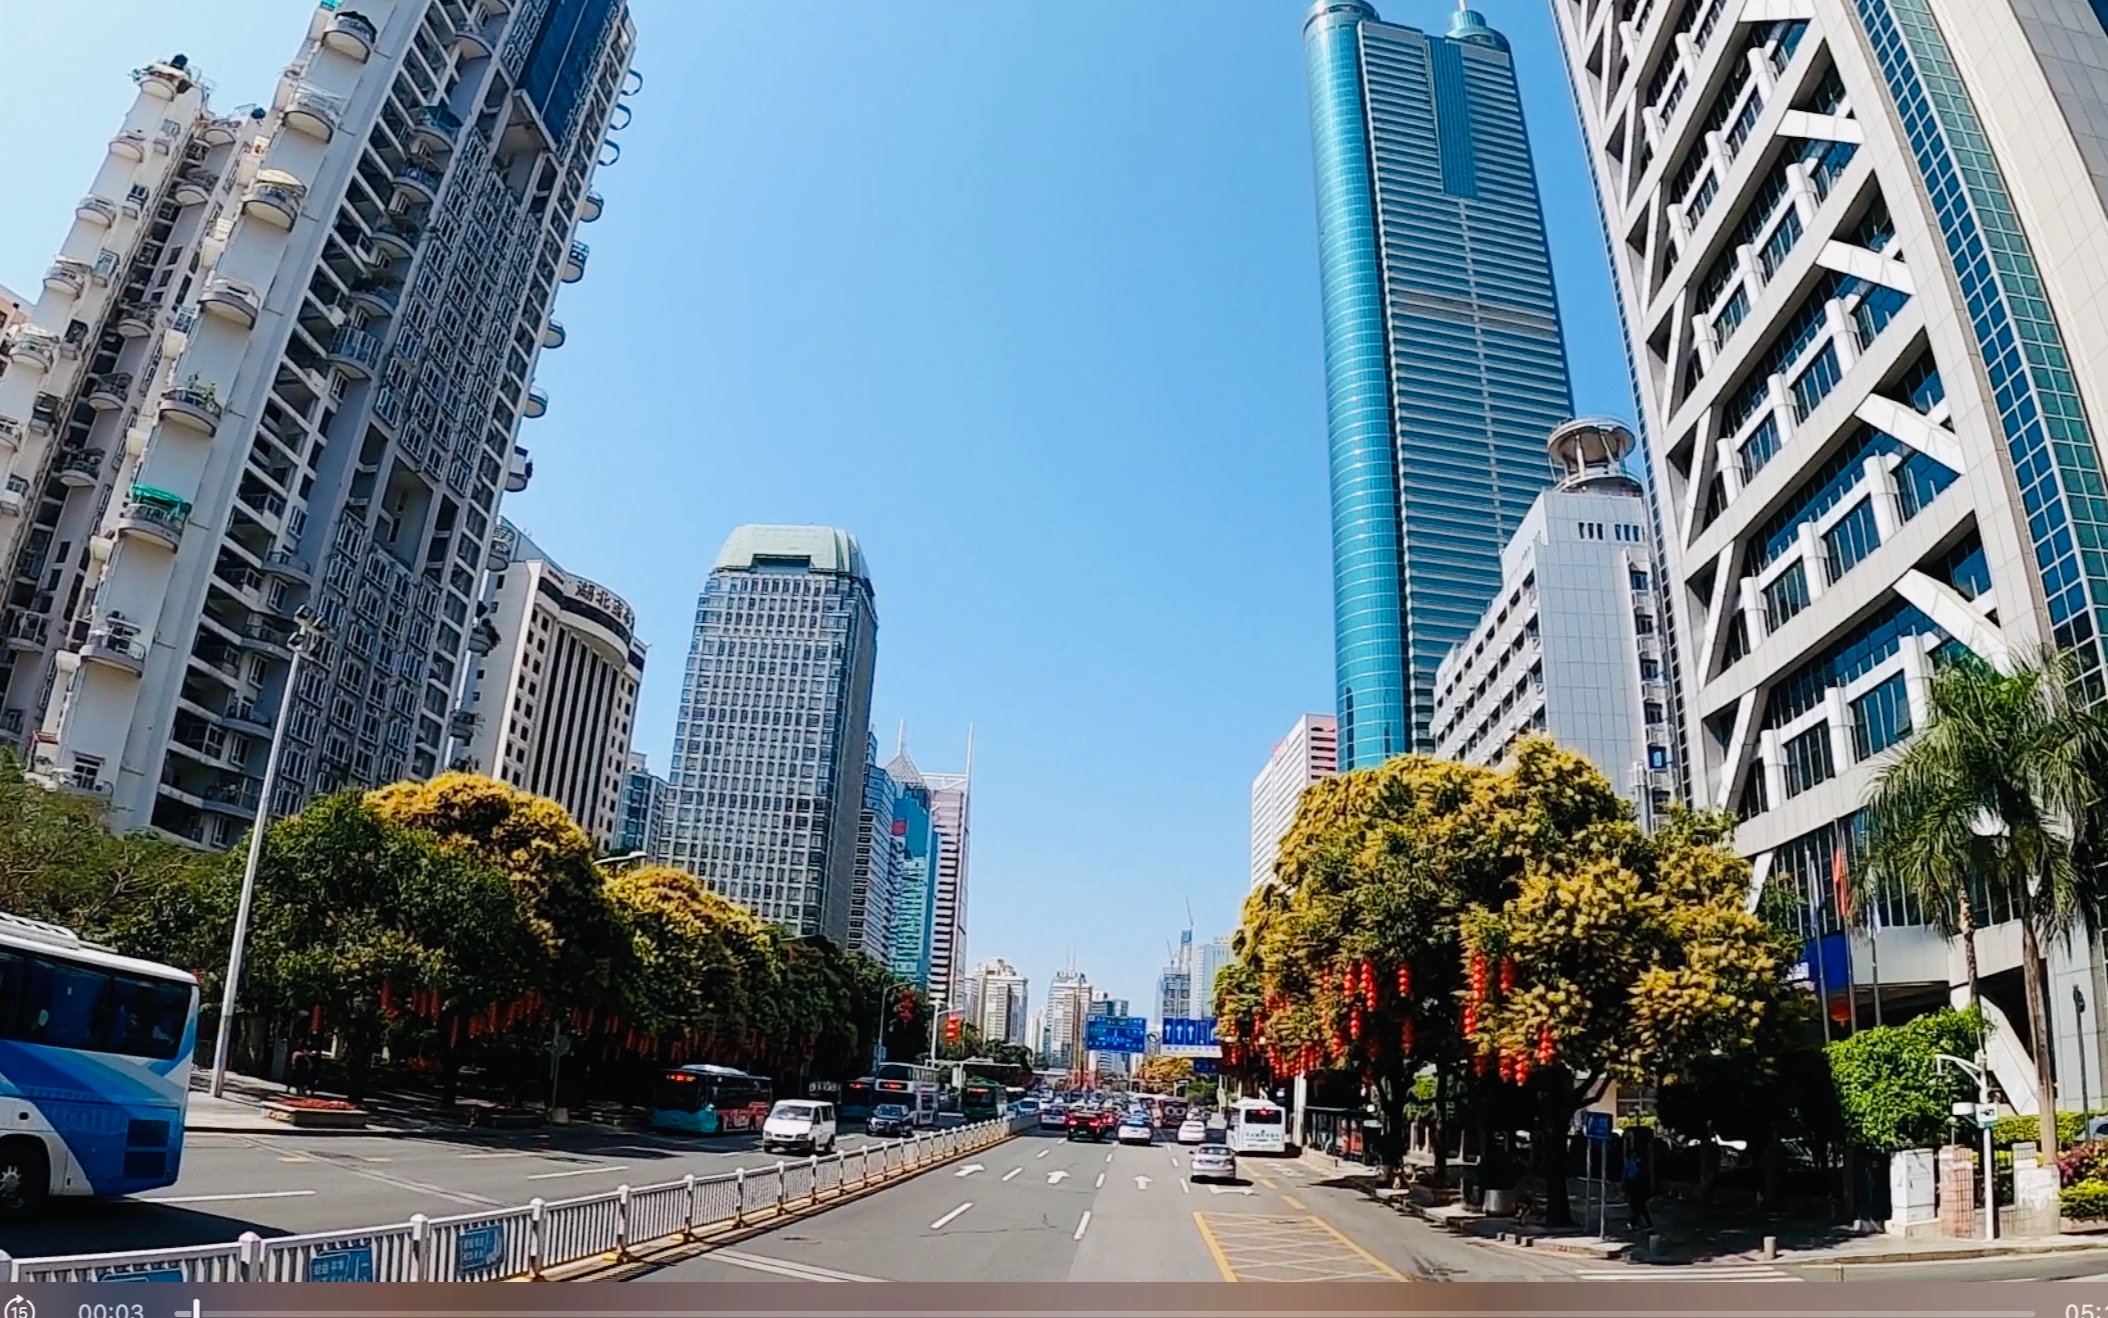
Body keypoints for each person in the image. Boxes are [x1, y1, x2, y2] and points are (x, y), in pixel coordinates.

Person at [1623, 1134, 1655, 1231]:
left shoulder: (1640, 1168)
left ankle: (1635, 1223)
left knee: (1638, 1207)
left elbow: (1635, 1180)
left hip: (1638, 1191)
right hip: (1636, 1190)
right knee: (1640, 1208)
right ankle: (1638, 1223)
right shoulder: (1633, 1165)